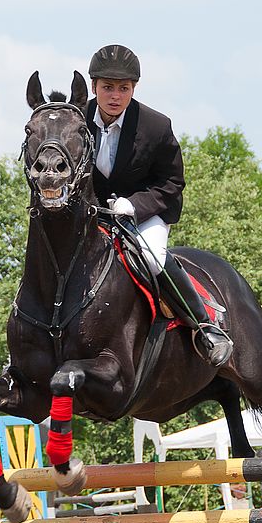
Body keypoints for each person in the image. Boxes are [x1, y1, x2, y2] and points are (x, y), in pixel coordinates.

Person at [86, 44, 233, 367]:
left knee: (153, 259)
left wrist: (134, 206)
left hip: (144, 214)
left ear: (133, 89)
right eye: (108, 87)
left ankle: (206, 327)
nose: (115, 96)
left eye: (123, 88)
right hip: (94, 215)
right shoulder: (78, 122)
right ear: (94, 85)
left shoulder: (154, 126)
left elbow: (171, 182)